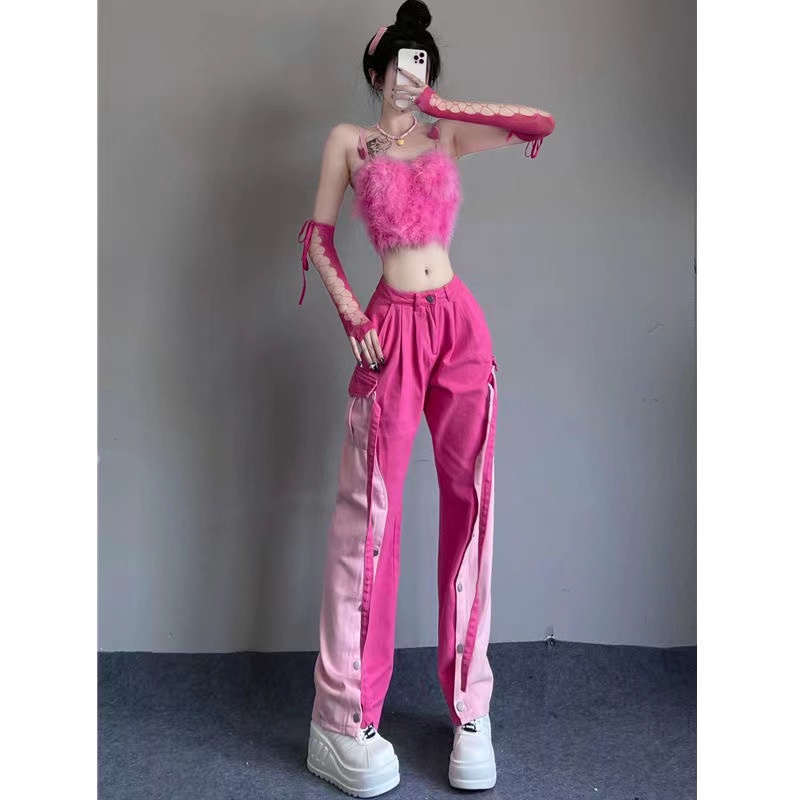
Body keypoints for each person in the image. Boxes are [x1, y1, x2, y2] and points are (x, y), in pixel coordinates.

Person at [297, 2, 555, 795]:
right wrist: (352, 318)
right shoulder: (349, 141)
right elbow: (317, 237)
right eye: (406, 61)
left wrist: (445, 105)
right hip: (391, 326)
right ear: (378, 69)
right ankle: (344, 718)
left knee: (471, 502)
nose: (416, 73)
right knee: (370, 515)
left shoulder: (444, 134)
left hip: (458, 323)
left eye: (426, 63)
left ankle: (471, 707)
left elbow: (535, 122)